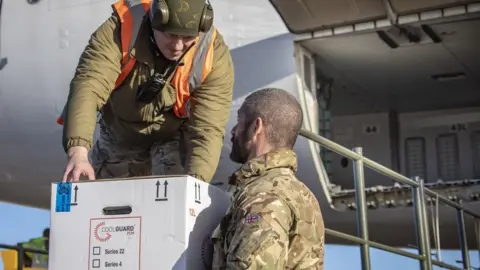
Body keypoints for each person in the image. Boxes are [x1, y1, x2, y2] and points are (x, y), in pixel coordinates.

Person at [58, 0, 234, 183]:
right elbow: (89, 87)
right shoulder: (122, 29)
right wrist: (77, 152)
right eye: (170, 34)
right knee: (101, 202)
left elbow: (207, 129)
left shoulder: (212, 55)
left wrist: (196, 183)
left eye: (187, 38)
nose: (178, 46)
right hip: (119, 138)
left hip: (172, 140)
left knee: (174, 200)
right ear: (154, 20)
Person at [211, 88, 325, 269]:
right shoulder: (302, 193)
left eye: (239, 122)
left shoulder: (263, 196)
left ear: (256, 127)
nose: (233, 131)